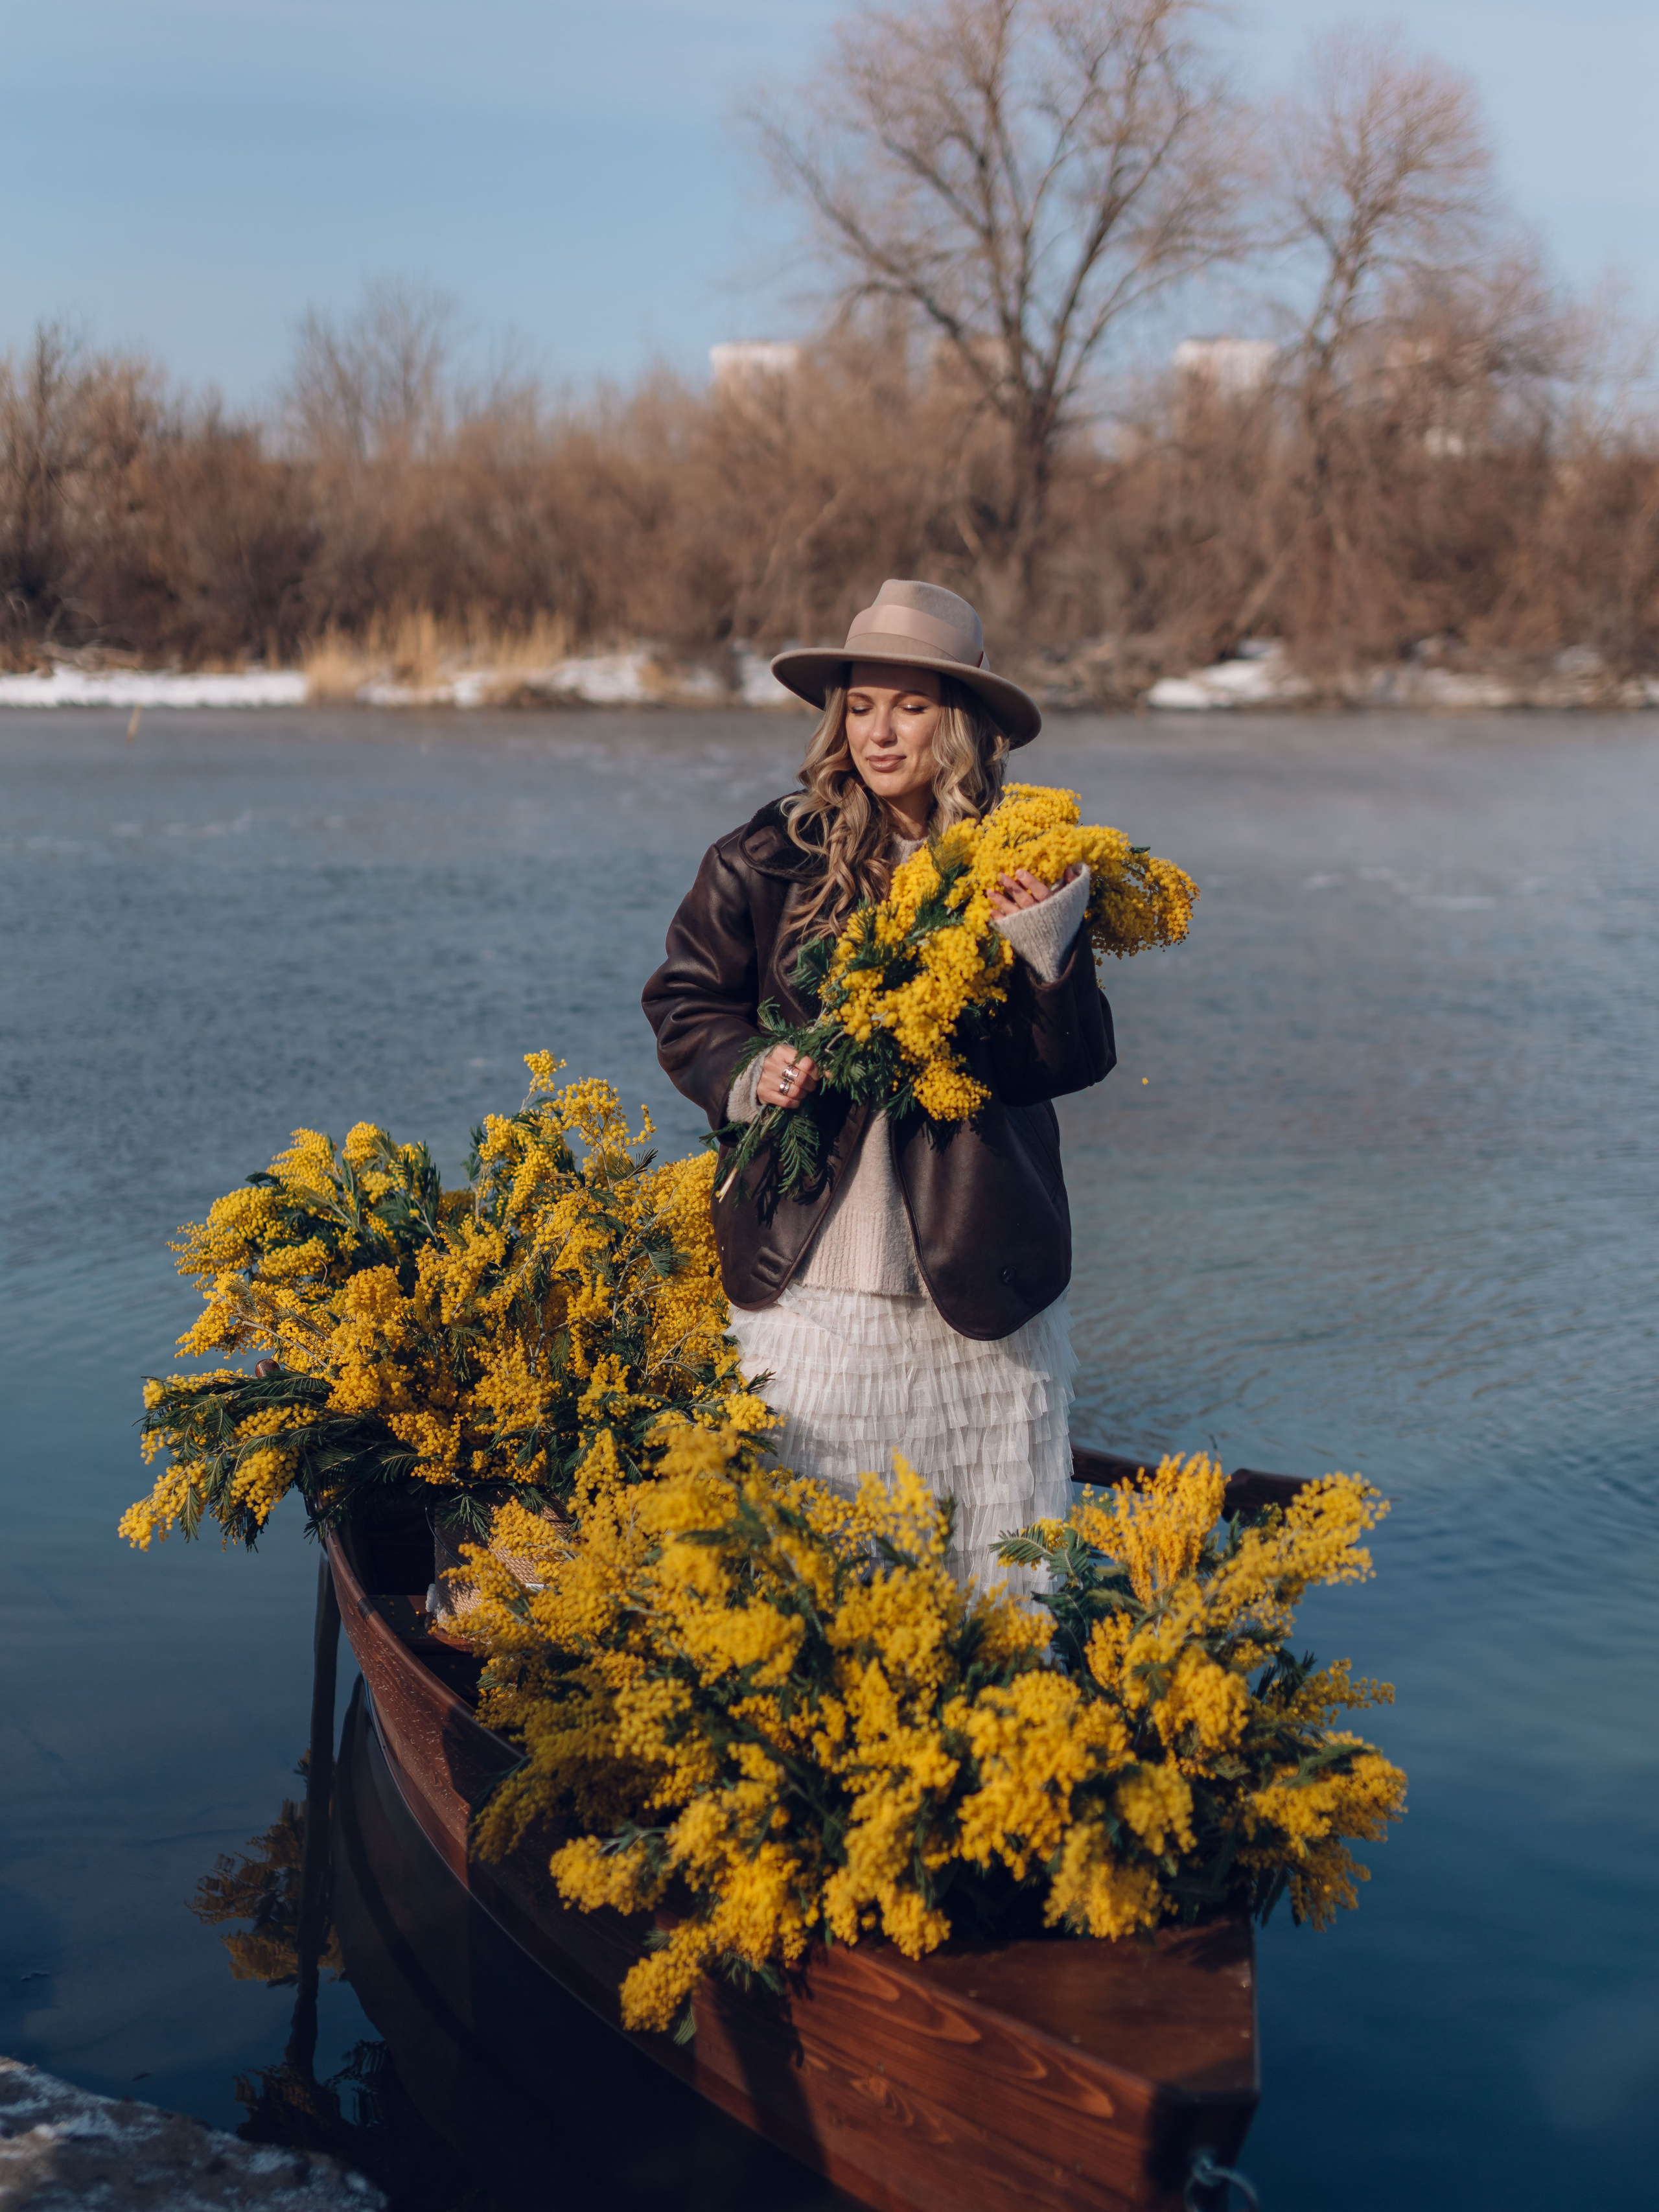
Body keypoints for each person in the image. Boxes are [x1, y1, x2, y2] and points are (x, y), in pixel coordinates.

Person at [642, 579, 1115, 1586]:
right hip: (810, 1265)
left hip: (983, 1266)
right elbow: (686, 1000)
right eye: (860, 706)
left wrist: (1047, 945)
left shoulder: (1022, 857)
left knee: (990, 1566)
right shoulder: (765, 857)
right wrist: (751, 1068)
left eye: (910, 706)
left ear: (962, 722)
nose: (879, 733)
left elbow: (1065, 1064)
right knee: (817, 1554)